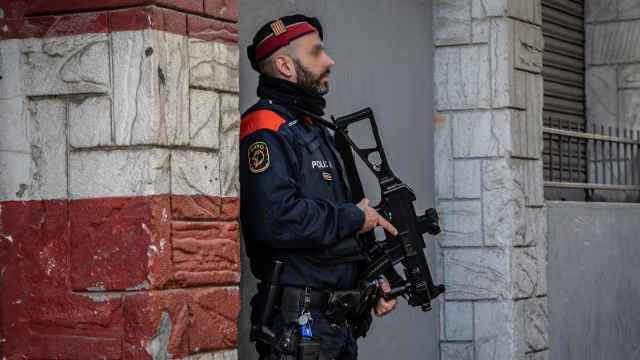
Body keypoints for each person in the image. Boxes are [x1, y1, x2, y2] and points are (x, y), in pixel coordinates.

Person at [241, 14, 398, 360]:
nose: (330, 61)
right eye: (317, 52)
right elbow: (276, 218)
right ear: (284, 65)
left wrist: (372, 282)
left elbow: (337, 231)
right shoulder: (265, 128)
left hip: (336, 325)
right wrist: (355, 219)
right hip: (300, 325)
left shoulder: (316, 130)